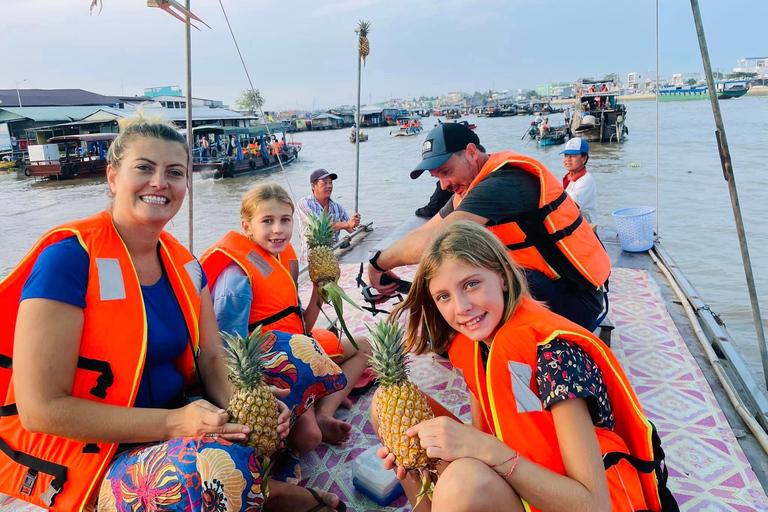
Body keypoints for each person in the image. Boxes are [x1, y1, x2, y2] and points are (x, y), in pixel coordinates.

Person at [0, 112, 345, 512]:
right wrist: (173, 424)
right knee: (212, 469)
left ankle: (258, 476)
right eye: (144, 168)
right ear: (113, 177)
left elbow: (212, 356)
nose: (160, 182)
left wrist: (241, 402)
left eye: (175, 172)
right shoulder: (69, 261)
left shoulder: (183, 263)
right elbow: (40, 409)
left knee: (298, 352)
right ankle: (273, 492)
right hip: (97, 448)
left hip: (185, 408)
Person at [372, 221, 676, 512]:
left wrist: (484, 450)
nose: (462, 307)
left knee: (460, 484)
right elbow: (487, 433)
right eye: (444, 296)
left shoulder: (555, 358)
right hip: (518, 475)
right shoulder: (475, 345)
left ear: (503, 276)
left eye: (472, 284)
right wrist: (423, 453)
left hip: (572, 499)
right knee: (383, 408)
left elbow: (593, 505)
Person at [367, 122, 610, 330]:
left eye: (446, 172)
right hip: (541, 283)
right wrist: (381, 259)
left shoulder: (504, 183)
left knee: (463, 278)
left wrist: (379, 264)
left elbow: (432, 241)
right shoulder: (469, 187)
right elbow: (426, 229)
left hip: (575, 301)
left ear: (471, 153)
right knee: (455, 275)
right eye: (437, 177)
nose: (443, 185)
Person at [201, 183, 371, 449]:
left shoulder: (286, 258)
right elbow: (225, 354)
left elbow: (303, 326)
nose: (278, 229)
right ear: (247, 227)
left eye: (285, 220)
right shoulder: (236, 278)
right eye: (267, 221)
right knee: (309, 439)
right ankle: (316, 407)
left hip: (300, 349)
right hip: (268, 369)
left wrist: (318, 288)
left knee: (364, 347)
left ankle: (324, 412)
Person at [297, 169, 361, 266]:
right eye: (325, 183)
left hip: (333, 260)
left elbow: (352, 228)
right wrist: (347, 224)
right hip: (310, 262)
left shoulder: (337, 208)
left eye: (331, 183)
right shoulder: (304, 204)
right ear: (313, 186)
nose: (329, 186)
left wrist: (356, 224)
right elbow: (319, 226)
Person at [561, 137, 597, 228]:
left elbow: (570, 208)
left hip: (584, 229)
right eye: (566, 155)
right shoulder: (568, 177)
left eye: (572, 156)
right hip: (571, 225)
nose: (568, 159)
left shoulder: (586, 181)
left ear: (584, 159)